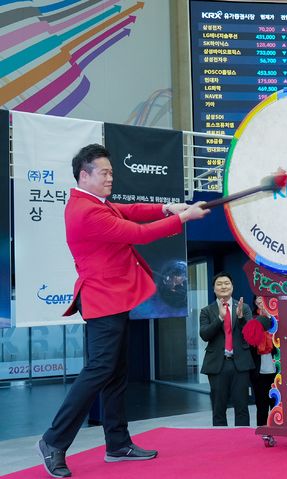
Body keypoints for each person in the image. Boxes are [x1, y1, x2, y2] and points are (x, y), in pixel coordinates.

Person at [37, 144, 209, 478]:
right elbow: (137, 233)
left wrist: (166, 207)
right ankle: (53, 441)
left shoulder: (94, 203)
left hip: (112, 298)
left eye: (111, 172)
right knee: (99, 370)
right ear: (84, 175)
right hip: (102, 298)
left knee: (115, 372)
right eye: (104, 173)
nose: (110, 178)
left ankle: (117, 444)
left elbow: (129, 210)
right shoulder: (85, 211)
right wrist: (181, 218)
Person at [200, 272, 268, 427]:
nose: (223, 286)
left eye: (227, 283)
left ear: (232, 286)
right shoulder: (207, 311)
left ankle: (242, 442)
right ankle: (221, 443)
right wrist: (220, 319)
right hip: (217, 364)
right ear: (214, 288)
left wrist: (242, 317)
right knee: (218, 408)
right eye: (219, 284)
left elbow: (251, 335)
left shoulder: (243, 307)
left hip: (240, 364)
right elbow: (204, 335)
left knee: (242, 407)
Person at [248, 295, 276, 427]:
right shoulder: (252, 319)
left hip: (275, 368)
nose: (261, 303)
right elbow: (249, 341)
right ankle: (262, 430)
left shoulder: (276, 319)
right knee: (261, 403)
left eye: (263, 300)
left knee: (276, 403)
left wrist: (270, 318)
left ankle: (278, 428)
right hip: (258, 369)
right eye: (258, 300)